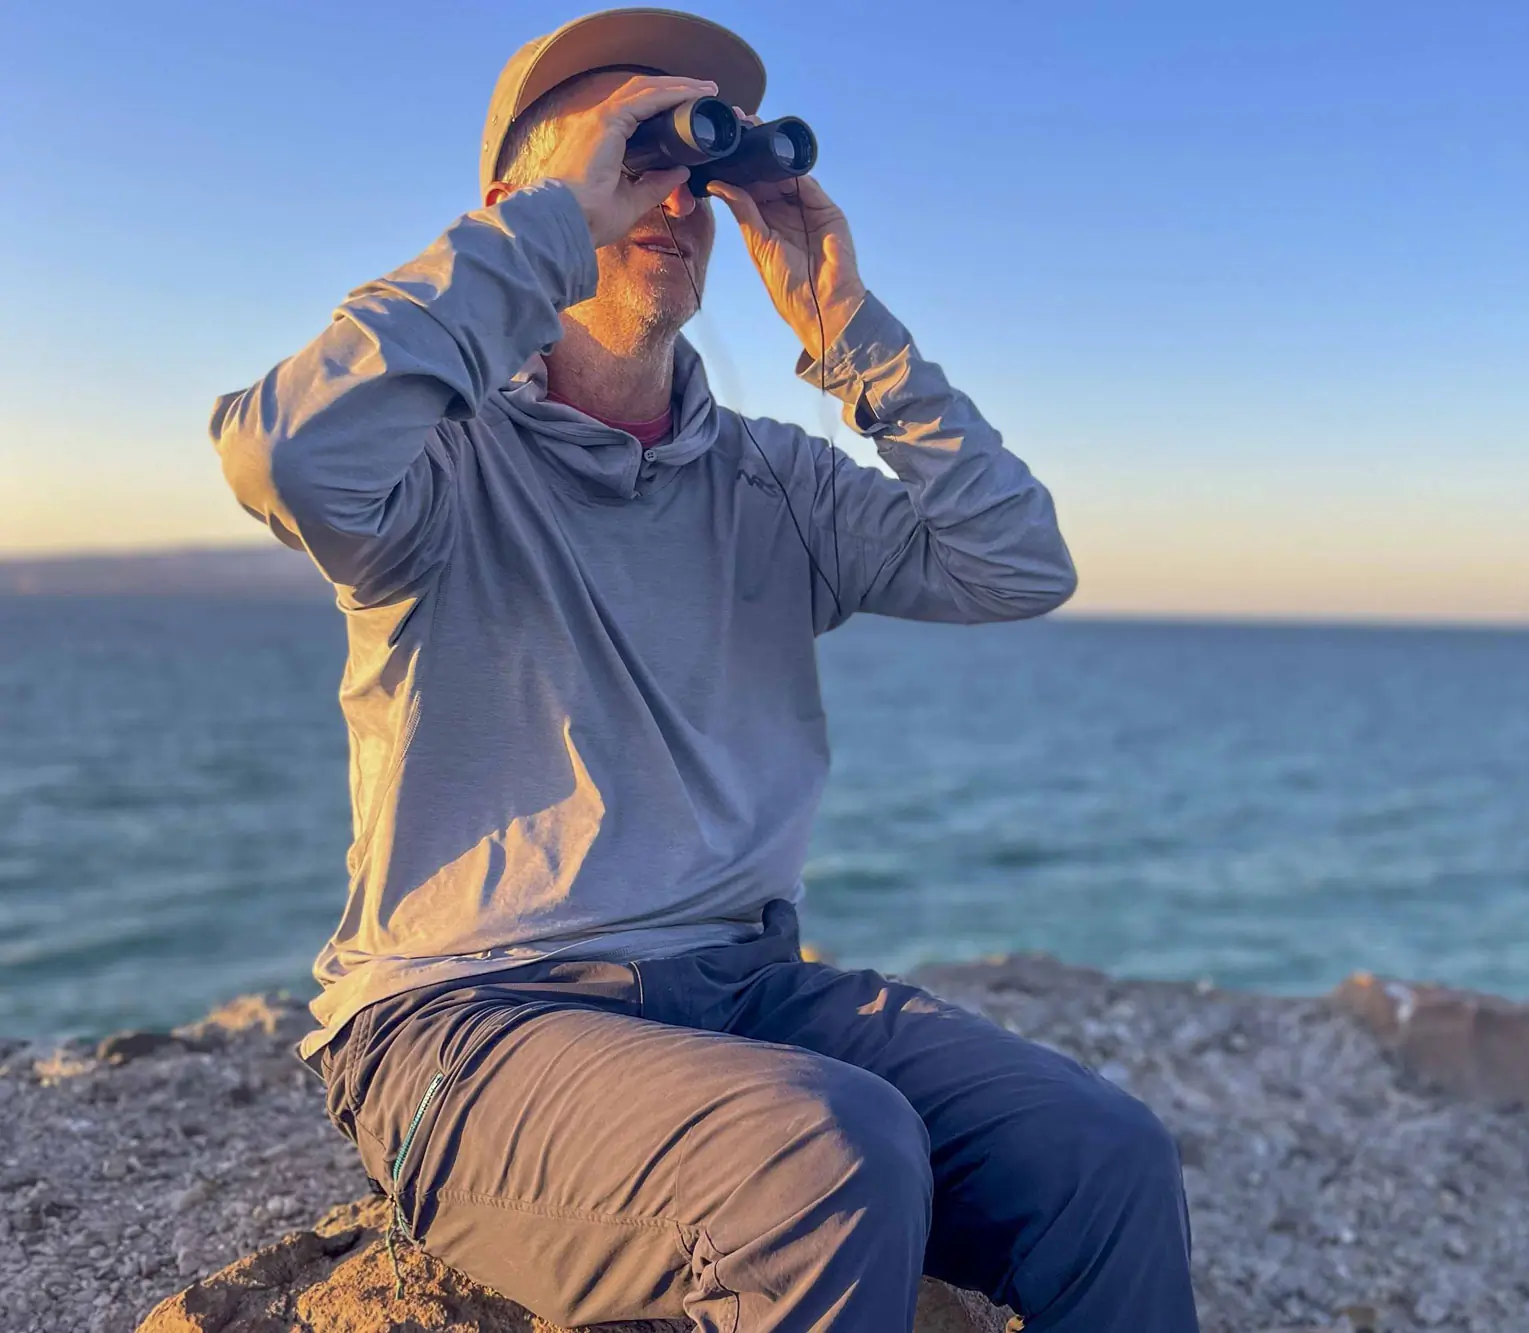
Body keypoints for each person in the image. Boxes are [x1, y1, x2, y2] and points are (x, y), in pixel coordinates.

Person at [210, 8, 1198, 1330]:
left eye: (706, 162)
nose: (676, 193)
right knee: (825, 1150)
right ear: (526, 200)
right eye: (636, 149)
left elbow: (1016, 563)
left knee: (1104, 1156)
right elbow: (285, 455)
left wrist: (844, 323)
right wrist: (542, 237)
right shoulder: (437, 467)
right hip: (464, 1022)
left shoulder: (771, 484)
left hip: (741, 996)